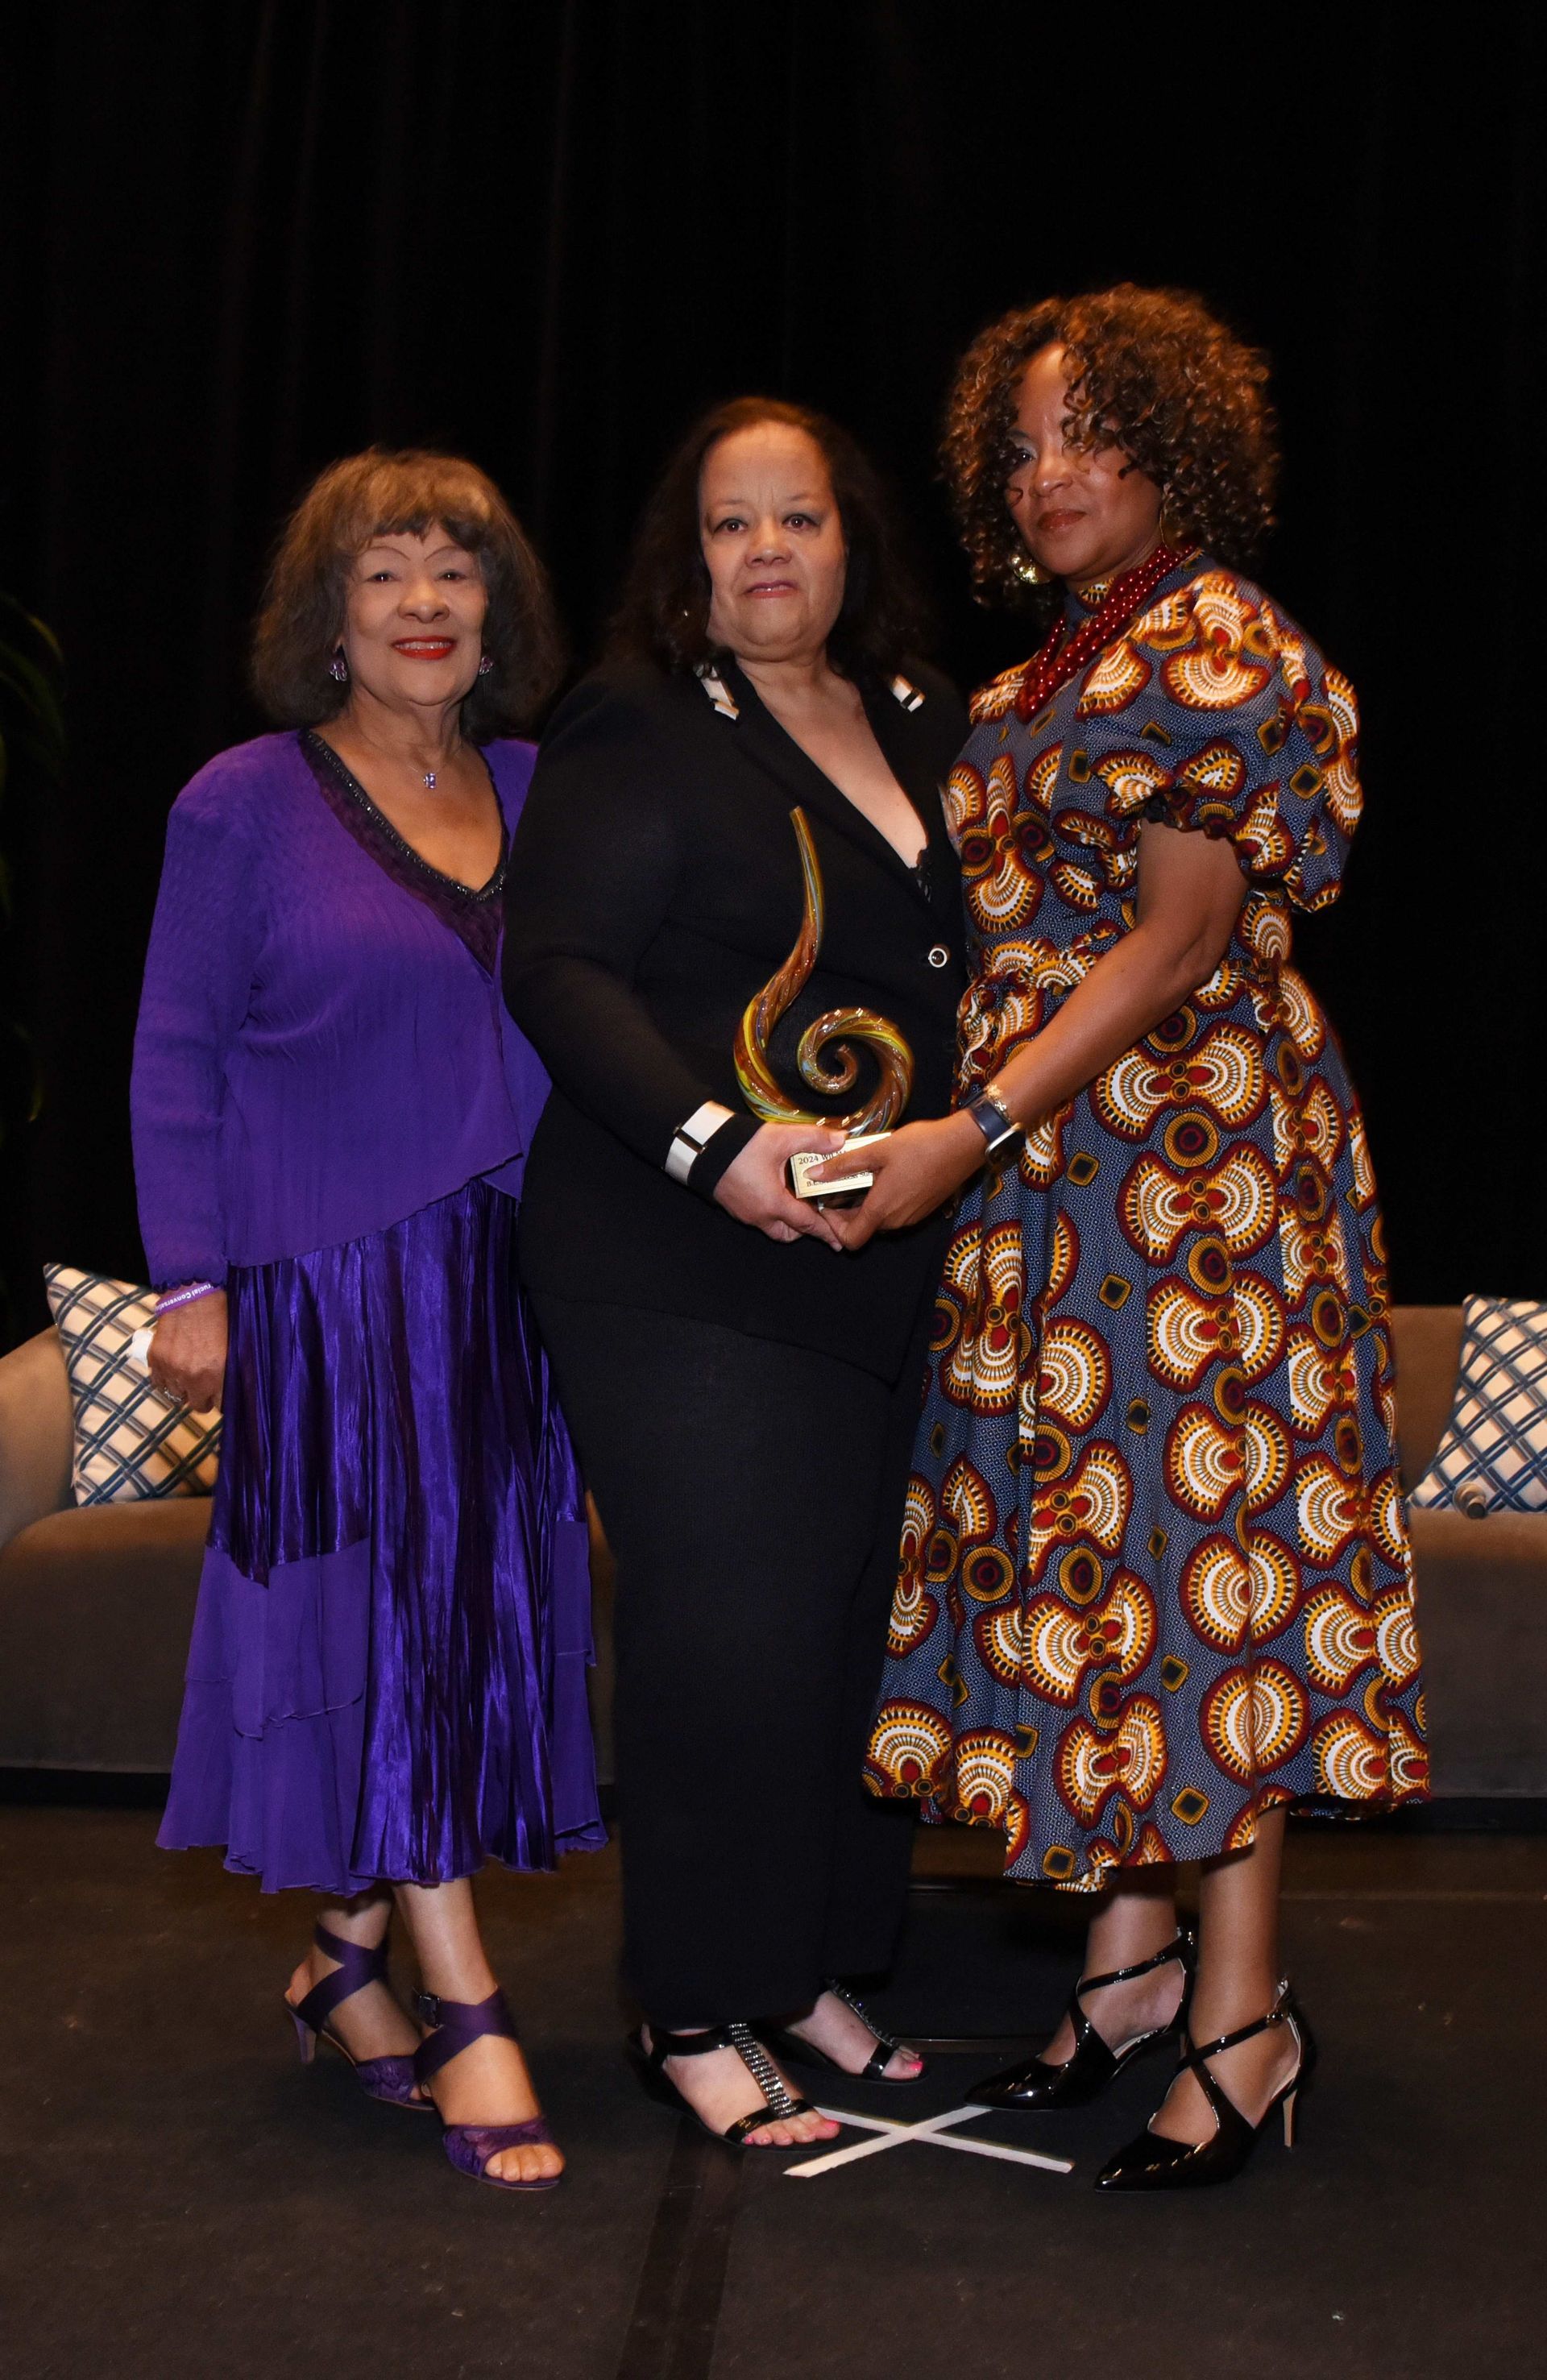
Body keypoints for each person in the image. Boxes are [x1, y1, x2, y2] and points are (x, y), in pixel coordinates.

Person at [838, 286, 1427, 2188]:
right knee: (1090, 1563)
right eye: (1019, 443)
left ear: (1177, 450)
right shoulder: (1028, 682)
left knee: (1202, 1570)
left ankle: (1245, 2021)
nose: (1049, 471)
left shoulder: (1214, 640)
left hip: (1195, 1179)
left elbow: (1174, 939)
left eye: (1090, 431)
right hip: (1057, 1191)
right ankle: (1129, 1968)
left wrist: (972, 1125)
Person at [134, 449, 603, 2193]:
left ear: (499, 613)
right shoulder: (241, 801)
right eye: (385, 572)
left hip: (506, 1293)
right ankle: (465, 1994)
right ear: (327, 616)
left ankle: (345, 1962)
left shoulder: (551, 788)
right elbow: (174, 1051)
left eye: (456, 572)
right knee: (395, 1621)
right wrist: (193, 1283)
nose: (424, 603)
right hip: (322, 1294)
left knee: (462, 1629)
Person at [503, 397, 967, 2148]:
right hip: (673, 1258)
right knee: (729, 1633)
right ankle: (690, 2001)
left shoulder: (927, 718)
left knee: (846, 1629)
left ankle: (804, 1968)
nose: (767, 551)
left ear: (853, 539)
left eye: (799, 518)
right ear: (687, 559)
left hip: (872, 1267)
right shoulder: (640, 719)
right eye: (729, 525)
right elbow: (557, 970)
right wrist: (723, 1146)